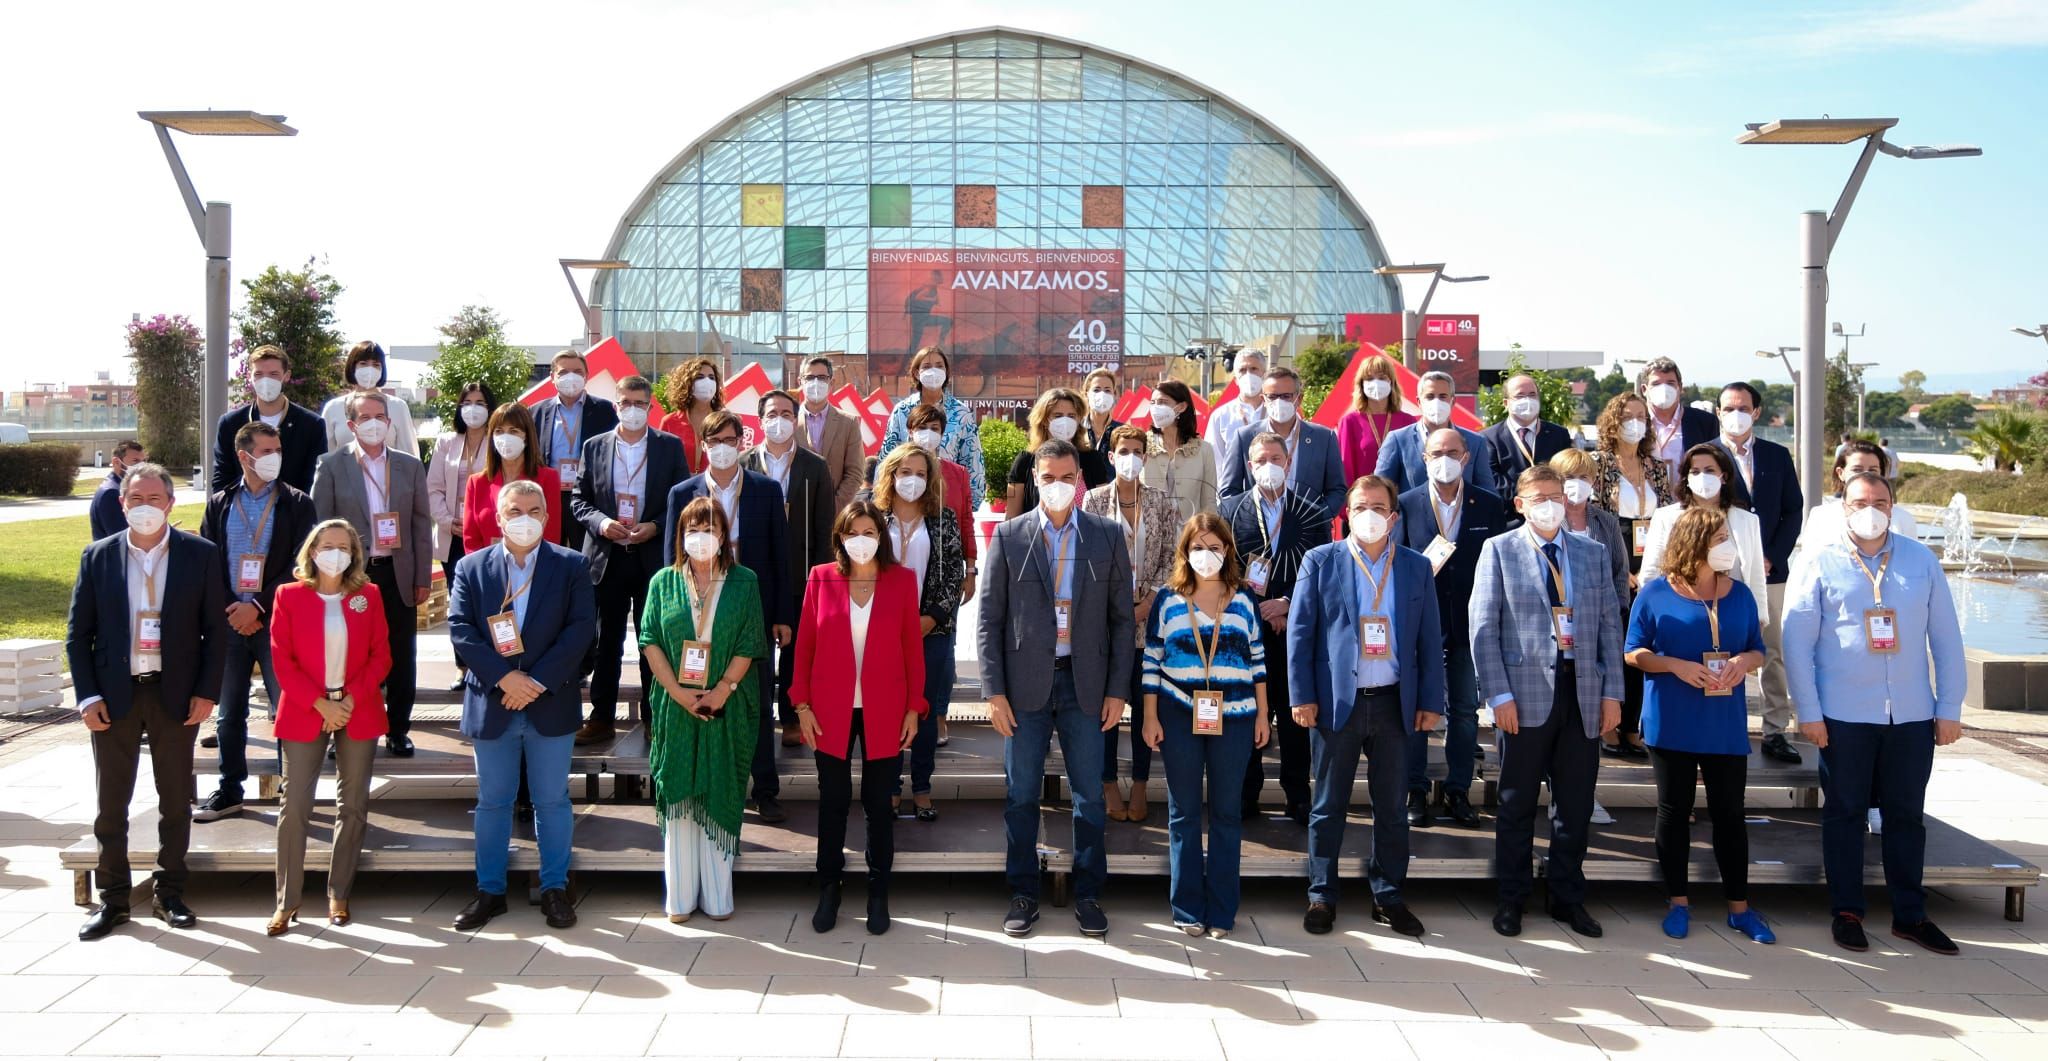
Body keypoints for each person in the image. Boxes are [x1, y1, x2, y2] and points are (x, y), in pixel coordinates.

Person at [1783, 473, 1967, 956]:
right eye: (1860, 501)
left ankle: (1911, 914)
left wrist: (1949, 708)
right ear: (1844, 507)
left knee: (1906, 816)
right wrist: (1809, 711)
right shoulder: (1818, 563)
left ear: (1893, 506)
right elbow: (1796, 642)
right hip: (1843, 713)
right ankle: (1847, 911)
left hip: (1910, 714)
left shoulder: (1920, 561)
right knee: (1844, 814)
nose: (1871, 510)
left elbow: (1946, 639)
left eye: (1880, 502)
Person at [978, 439, 1135, 938]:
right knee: (1021, 795)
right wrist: (994, 693)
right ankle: (1023, 891)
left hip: (1085, 686)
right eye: (1048, 478)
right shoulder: (1009, 536)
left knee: (1090, 796)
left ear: (1079, 480)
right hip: (1024, 689)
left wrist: (1117, 690)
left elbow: (1121, 621)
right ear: (1036, 480)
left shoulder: (1107, 537)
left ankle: (1089, 892)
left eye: (1067, 477)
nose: (1058, 486)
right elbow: (989, 621)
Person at [68, 462, 227, 940]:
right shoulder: (97, 556)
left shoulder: (199, 554)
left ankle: (170, 893)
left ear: (170, 505)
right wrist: (87, 695)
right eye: (135, 499)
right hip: (114, 697)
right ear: (122, 504)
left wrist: (206, 693)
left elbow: (215, 633)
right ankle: (114, 899)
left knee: (175, 801)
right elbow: (79, 635)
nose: (145, 508)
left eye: (154, 499)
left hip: (174, 696)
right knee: (110, 805)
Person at [1471, 465, 1625, 939]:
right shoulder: (1499, 550)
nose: (1550, 505)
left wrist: (1613, 693)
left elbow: (1608, 628)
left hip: (1582, 693)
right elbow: (1483, 629)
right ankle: (1511, 899)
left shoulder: (1592, 553)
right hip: (1523, 695)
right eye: (1539, 498)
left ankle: (1567, 898)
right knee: (1516, 804)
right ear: (1520, 504)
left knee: (1574, 806)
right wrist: (1498, 695)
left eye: (1556, 496)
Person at [1289, 475, 1444, 938]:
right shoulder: (1321, 561)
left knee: (1393, 807)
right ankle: (1321, 894)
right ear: (1347, 514)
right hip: (1340, 705)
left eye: (1378, 507)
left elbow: (1430, 639)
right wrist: (1302, 696)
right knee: (1327, 805)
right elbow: (1300, 634)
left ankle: (1388, 893)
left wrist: (1431, 701)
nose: (1369, 515)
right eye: (1360, 507)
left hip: (1396, 704)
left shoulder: (1416, 567)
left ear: (1394, 517)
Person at [447, 481, 596, 931]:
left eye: (534, 509)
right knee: (494, 802)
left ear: (548, 517)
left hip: (549, 701)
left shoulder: (572, 565)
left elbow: (580, 630)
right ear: (498, 517)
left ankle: (554, 887)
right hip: (493, 702)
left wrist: (535, 681)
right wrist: (505, 678)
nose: (524, 517)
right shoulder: (471, 568)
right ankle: (489, 891)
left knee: (552, 801)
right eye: (515, 510)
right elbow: (461, 629)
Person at [1624, 507, 1775, 943]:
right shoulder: (1655, 593)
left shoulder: (1741, 594)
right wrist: (1673, 665)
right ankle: (1677, 902)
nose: (1728, 545)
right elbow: (1633, 652)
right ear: (1696, 544)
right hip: (1672, 716)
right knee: (1674, 811)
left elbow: (1757, 649)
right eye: (1720, 538)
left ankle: (1740, 908)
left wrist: (1744, 661)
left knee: (1730, 814)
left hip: (1723, 718)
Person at [791, 502, 927, 934]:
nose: (862, 539)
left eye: (870, 531)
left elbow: (912, 649)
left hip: (885, 709)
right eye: (853, 532)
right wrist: (802, 705)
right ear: (841, 538)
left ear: (880, 537)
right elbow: (806, 646)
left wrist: (914, 707)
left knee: (877, 804)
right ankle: (829, 888)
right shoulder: (821, 578)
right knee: (832, 803)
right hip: (829, 709)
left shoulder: (902, 581)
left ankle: (877, 892)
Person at [1140, 512, 1270, 938]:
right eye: (1198, 547)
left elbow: (1258, 664)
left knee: (1227, 814)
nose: (1207, 554)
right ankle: (1187, 907)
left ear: (1228, 551)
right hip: (1178, 713)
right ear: (1185, 552)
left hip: (1235, 718)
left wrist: (1263, 715)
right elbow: (1152, 661)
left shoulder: (1245, 600)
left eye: (1215, 547)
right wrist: (1150, 715)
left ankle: (1222, 910)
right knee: (1183, 814)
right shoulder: (1168, 600)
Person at [664, 410, 794, 823]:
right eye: (713, 440)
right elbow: (671, 560)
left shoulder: (766, 490)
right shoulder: (681, 492)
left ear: (742, 442)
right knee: (702, 697)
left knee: (755, 702)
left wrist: (781, 615)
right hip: (698, 615)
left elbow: (780, 558)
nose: (722, 447)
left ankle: (765, 789)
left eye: (729, 439)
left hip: (749, 612)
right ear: (703, 445)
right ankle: (710, 785)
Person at [641, 497, 766, 922]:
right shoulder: (662, 581)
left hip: (724, 705)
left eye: (709, 528)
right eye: (692, 528)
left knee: (717, 790)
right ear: (680, 535)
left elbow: (751, 642)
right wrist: (677, 692)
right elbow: (650, 640)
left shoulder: (744, 581)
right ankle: (679, 898)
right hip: (676, 705)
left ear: (724, 536)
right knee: (679, 794)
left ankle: (717, 896)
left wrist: (723, 690)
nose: (701, 537)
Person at [266, 520, 390, 935]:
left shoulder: (367, 596)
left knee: (352, 805)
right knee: (295, 806)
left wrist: (350, 697)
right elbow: (282, 660)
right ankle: (287, 903)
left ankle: (339, 894)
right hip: (306, 708)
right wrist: (319, 703)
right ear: (312, 551)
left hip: (357, 707)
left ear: (354, 553)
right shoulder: (288, 595)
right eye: (326, 545)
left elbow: (381, 655)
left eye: (343, 546)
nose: (335, 552)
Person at [194, 421, 316, 823]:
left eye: (277, 449)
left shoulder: (297, 502)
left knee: (286, 707)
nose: (275, 458)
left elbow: (302, 562)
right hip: (230, 624)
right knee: (229, 713)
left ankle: (291, 789)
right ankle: (230, 789)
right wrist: (233, 608)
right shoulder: (220, 502)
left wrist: (259, 608)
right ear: (244, 457)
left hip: (278, 622)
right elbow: (207, 561)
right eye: (266, 451)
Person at [312, 390, 434, 757]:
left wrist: (423, 577)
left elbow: (419, 523)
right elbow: (321, 524)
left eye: (380, 416)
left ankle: (398, 728)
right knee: (348, 655)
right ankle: (346, 726)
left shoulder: (409, 465)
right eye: (365, 417)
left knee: (400, 654)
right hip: (351, 575)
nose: (374, 423)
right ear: (351, 425)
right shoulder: (331, 465)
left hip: (397, 573)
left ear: (389, 421)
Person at [1394, 428, 1504, 828]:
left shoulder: (1489, 506)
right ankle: (1415, 789)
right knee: (1418, 710)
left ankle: (1459, 790)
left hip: (1469, 622)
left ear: (1466, 457)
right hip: (1420, 623)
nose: (1445, 458)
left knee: (1464, 710)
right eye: (1436, 451)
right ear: (1424, 458)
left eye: (1452, 452)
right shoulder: (1405, 504)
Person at [1216, 432, 1328, 824]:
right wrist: (1260, 609)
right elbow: (1223, 570)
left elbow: (1320, 570)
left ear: (1288, 461)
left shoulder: (1313, 511)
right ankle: (1247, 792)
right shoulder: (1229, 510)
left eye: (1276, 458)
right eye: (1261, 459)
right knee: (1247, 713)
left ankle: (1297, 794)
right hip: (1247, 630)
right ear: (1250, 466)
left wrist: (1287, 605)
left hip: (1295, 631)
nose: (1269, 466)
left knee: (1293, 714)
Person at [570, 376, 688, 744]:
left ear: (650, 406)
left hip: (652, 558)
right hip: (607, 558)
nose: (632, 409)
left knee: (652, 640)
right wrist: (603, 523)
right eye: (626, 402)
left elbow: (683, 500)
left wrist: (655, 526)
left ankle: (656, 718)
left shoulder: (669, 447)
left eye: (640, 403)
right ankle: (602, 717)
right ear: (616, 404)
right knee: (607, 641)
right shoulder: (594, 447)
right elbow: (579, 500)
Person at [1084, 425, 1178, 823]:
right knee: (1107, 705)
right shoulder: (1093, 499)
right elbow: (1086, 556)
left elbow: (1173, 557)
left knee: (1145, 704)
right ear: (1111, 455)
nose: (1130, 457)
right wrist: (1118, 606)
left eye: (1138, 450)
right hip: (1105, 620)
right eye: (1124, 450)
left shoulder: (1161, 502)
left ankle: (1140, 782)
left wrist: (1149, 600)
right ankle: (1107, 781)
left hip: (1149, 620)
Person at [1712, 382, 1804, 764]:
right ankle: (1720, 725)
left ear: (1756, 412)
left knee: (1772, 650)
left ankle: (1775, 729)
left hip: (1769, 573)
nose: (1736, 413)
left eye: (1743, 407)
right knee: (1721, 646)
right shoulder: (1706, 456)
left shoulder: (1777, 456)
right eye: (1728, 407)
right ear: (1718, 412)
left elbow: (1793, 510)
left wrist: (1771, 555)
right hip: (1719, 572)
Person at [873, 444, 965, 820]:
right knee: (888, 712)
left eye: (921, 473)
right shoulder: (873, 518)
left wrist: (926, 621)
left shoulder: (943, 519)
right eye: (905, 472)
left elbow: (953, 577)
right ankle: (891, 788)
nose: (912, 480)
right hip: (881, 633)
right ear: (891, 474)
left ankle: (922, 789)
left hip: (932, 632)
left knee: (923, 713)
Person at [746, 389, 836, 749]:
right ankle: (759, 719)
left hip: (801, 572)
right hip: (755, 575)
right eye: (772, 413)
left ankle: (792, 716)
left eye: (786, 413)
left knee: (797, 652)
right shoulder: (744, 463)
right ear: (761, 419)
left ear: (795, 420)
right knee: (758, 652)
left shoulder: (814, 466)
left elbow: (824, 527)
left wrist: (821, 577)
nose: (778, 420)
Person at [1553, 446, 1635, 782]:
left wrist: (1615, 613)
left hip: (1597, 622)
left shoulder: (1606, 522)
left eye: (1583, 477)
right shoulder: (1547, 520)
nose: (1577, 484)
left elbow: (1619, 571)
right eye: (1569, 477)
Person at [1640, 445, 1767, 639]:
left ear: (1723, 477)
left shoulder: (1747, 521)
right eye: (1695, 472)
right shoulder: (1666, 517)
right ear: (1687, 478)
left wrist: (1759, 618)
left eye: (1709, 471)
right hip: (1679, 619)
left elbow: (1756, 574)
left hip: (1734, 617)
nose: (1702, 476)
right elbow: (1651, 572)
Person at [429, 382, 495, 692]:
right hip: (453, 533)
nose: (473, 407)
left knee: (489, 599)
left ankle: (490, 663)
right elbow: (434, 488)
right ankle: (462, 665)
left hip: (486, 534)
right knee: (460, 602)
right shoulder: (446, 442)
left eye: (480, 401)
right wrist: (447, 520)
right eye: (467, 401)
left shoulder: (499, 442)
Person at [1221, 366, 1348, 522]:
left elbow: (1337, 490)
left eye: (1286, 396)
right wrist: (1248, 521)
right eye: (1273, 396)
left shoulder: (1324, 437)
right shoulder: (1244, 437)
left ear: (1299, 399)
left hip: (1308, 534)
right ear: (1263, 400)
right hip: (1258, 533)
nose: (1279, 402)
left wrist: (1316, 517)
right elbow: (1228, 491)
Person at [878, 346, 987, 509]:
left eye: (939, 365)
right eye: (927, 366)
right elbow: (887, 458)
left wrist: (970, 506)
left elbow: (973, 461)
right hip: (905, 501)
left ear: (946, 371)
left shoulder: (961, 413)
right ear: (916, 373)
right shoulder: (902, 411)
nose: (933, 371)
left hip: (947, 502)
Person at [532, 350, 619, 553]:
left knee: (586, 555)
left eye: (577, 371)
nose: (571, 377)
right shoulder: (536, 412)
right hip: (549, 495)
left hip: (588, 496)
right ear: (552, 377)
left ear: (586, 376)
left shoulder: (605, 410)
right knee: (550, 552)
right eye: (563, 372)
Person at [211, 344, 326, 494]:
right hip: (243, 512)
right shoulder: (230, 424)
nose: (266, 381)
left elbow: (314, 481)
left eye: (273, 374)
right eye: (259, 374)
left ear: (286, 376)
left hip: (293, 513)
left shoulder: (311, 425)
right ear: (249, 376)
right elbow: (222, 479)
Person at [904, 402, 981, 603]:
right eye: (922, 427)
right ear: (910, 431)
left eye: (934, 429)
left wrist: (970, 570)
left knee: (942, 633)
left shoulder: (957, 474)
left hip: (947, 574)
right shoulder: (897, 470)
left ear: (942, 433)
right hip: (905, 567)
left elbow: (966, 523)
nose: (928, 433)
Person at [463, 402, 564, 551]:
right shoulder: (476, 483)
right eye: (499, 431)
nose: (506, 437)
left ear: (527, 436)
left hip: (533, 568)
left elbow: (551, 535)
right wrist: (483, 571)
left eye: (513, 431)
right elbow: (471, 539)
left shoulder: (548, 478)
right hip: (488, 568)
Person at [1375, 370, 1494, 494]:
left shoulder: (1475, 442)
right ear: (1419, 402)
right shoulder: (1397, 440)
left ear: (1453, 401)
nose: (1436, 402)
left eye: (1443, 397)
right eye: (1430, 396)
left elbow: (1487, 491)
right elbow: (1381, 489)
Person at [1007, 387, 1111, 518]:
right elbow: (1012, 517)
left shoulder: (1092, 459)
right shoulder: (1025, 461)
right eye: (1058, 416)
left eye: (1071, 416)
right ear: (1044, 420)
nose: (1065, 421)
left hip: (1083, 537)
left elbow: (1104, 511)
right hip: (1038, 536)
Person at [1799, 440, 1921, 550]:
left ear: (1882, 474)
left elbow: (1913, 561)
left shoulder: (1903, 519)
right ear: (1840, 473)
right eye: (1857, 470)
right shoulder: (1822, 516)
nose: (1865, 476)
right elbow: (1809, 564)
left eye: (1873, 470)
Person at [321, 341, 419, 458]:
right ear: (352, 367)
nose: (370, 369)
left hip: (389, 476)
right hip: (343, 476)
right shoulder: (333, 408)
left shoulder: (398, 406)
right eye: (363, 363)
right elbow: (324, 455)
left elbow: (409, 455)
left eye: (376, 365)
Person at [1141, 378, 1219, 523]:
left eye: (1163, 402)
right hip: (1148, 530)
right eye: (1153, 403)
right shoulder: (1141, 444)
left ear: (1182, 407)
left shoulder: (1203, 450)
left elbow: (1209, 501)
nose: (1156, 408)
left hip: (1188, 532)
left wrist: (1207, 534)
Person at [1482, 374, 1574, 496]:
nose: (1527, 400)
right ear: (1506, 403)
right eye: (1519, 396)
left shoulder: (1559, 434)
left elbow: (1567, 472)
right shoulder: (1489, 437)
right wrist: (1529, 498)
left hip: (1551, 507)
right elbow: (1492, 479)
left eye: (1532, 395)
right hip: (1508, 510)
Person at [795, 355, 868, 511]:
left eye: (822, 378)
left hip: (834, 513)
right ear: (800, 382)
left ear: (831, 383)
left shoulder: (849, 423)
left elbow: (855, 472)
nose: (815, 383)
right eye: (809, 377)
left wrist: (834, 506)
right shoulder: (788, 423)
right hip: (795, 513)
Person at [1336, 351, 1417, 485]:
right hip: (1364, 498)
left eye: (1381, 377)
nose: (1376, 383)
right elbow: (1345, 470)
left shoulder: (1408, 421)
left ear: (1391, 382)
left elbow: (1414, 465)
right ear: (1361, 384)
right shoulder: (1350, 421)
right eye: (1369, 379)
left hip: (1399, 499)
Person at [1637, 357, 1719, 483]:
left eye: (1670, 383)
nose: (1664, 389)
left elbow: (1716, 465)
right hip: (1643, 499)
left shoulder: (1705, 422)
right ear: (1644, 390)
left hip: (1689, 500)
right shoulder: (1633, 422)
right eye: (1656, 384)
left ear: (1680, 387)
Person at [657, 357, 724, 474]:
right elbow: (660, 462)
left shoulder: (724, 421)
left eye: (711, 377)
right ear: (687, 383)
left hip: (714, 487)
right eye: (700, 377)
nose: (707, 381)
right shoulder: (670, 422)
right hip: (679, 486)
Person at [1202, 347, 1268, 461]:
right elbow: (1214, 460)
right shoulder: (1220, 416)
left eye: (1254, 369)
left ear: (1264, 375)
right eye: (1242, 370)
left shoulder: (1277, 412)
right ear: (1236, 379)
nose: (1248, 375)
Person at [88, 440, 144, 541]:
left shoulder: (120, 487)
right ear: (116, 462)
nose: (141, 466)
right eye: (135, 461)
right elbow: (121, 537)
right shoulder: (111, 493)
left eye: (143, 461)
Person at [1079, 368, 1124, 453]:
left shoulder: (1122, 431)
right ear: (1086, 394)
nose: (1102, 394)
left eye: (1107, 390)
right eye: (1096, 390)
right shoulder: (1077, 429)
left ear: (1114, 394)